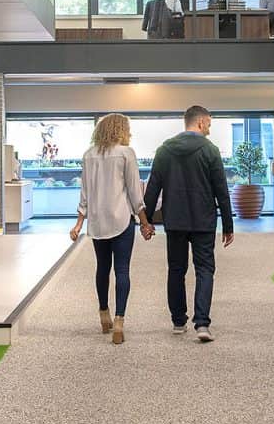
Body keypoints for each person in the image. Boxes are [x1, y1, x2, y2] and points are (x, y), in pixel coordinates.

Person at [143, 105, 233, 343]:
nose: (209, 129)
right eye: (209, 124)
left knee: (176, 269)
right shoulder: (210, 150)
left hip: (175, 220)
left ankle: (178, 321)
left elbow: (153, 187)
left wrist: (146, 221)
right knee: (205, 269)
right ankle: (202, 323)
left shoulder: (165, 150)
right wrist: (228, 224)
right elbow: (221, 190)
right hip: (203, 220)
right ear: (201, 122)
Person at [70, 114, 153, 345]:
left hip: (98, 222)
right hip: (121, 219)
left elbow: (84, 194)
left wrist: (78, 223)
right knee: (122, 269)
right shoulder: (126, 153)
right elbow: (135, 193)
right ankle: (119, 321)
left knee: (102, 268)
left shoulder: (89, 155)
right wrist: (144, 222)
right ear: (121, 130)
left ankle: (103, 314)